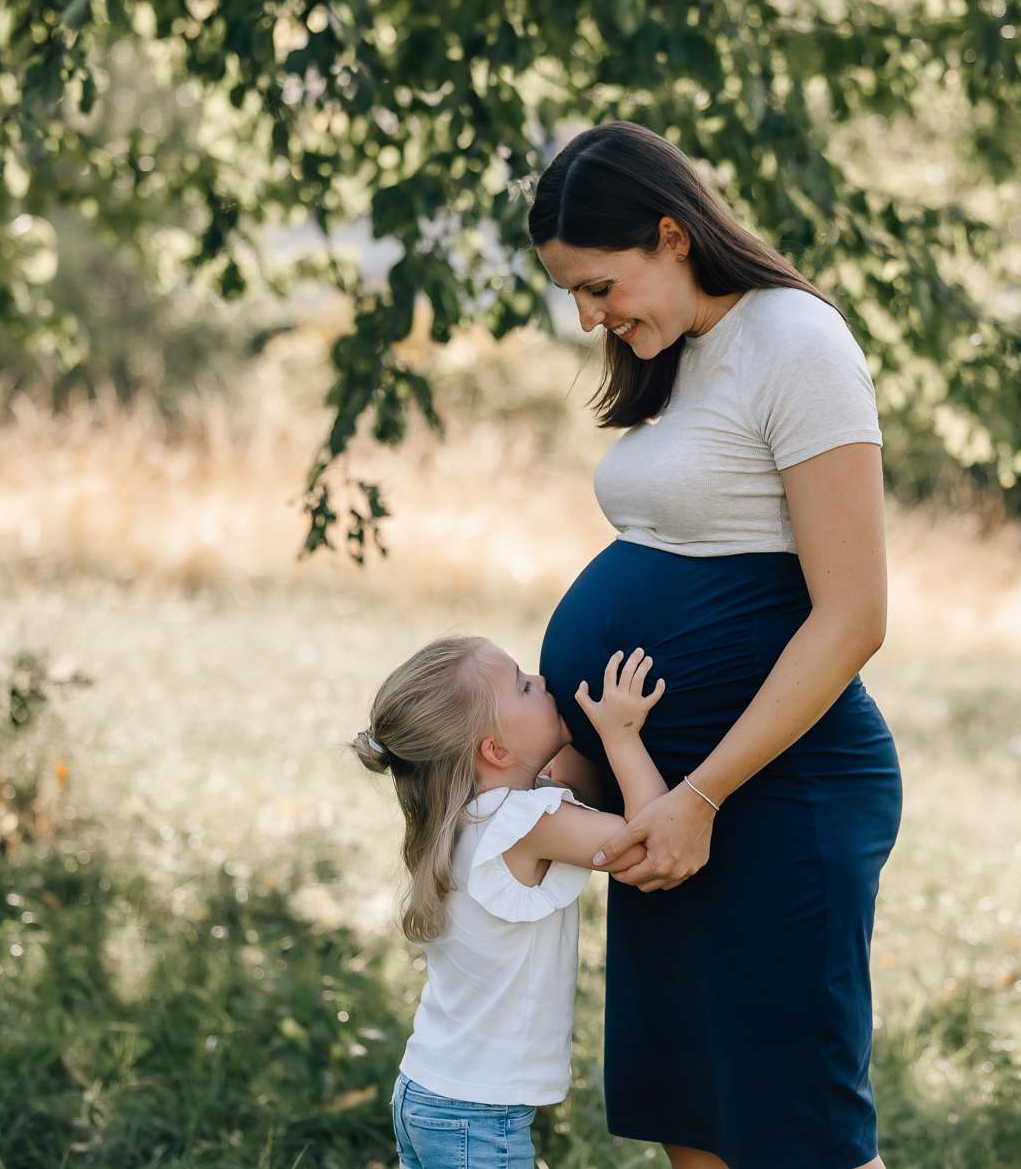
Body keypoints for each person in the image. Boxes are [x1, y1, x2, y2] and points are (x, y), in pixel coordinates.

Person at [531, 122, 902, 1169]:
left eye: (600, 285)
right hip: (664, 802)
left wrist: (701, 796)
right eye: (572, 295)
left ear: (671, 233)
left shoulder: (794, 339)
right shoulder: (683, 355)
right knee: (693, 1124)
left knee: (799, 1138)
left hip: (770, 798)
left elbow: (853, 614)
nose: (589, 316)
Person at [354, 637, 671, 1169]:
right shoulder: (524, 824)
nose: (543, 682)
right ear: (496, 750)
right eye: (526, 685)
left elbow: (569, 789)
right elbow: (648, 840)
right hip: (475, 1113)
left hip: (430, 1090)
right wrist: (621, 737)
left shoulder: (467, 815)